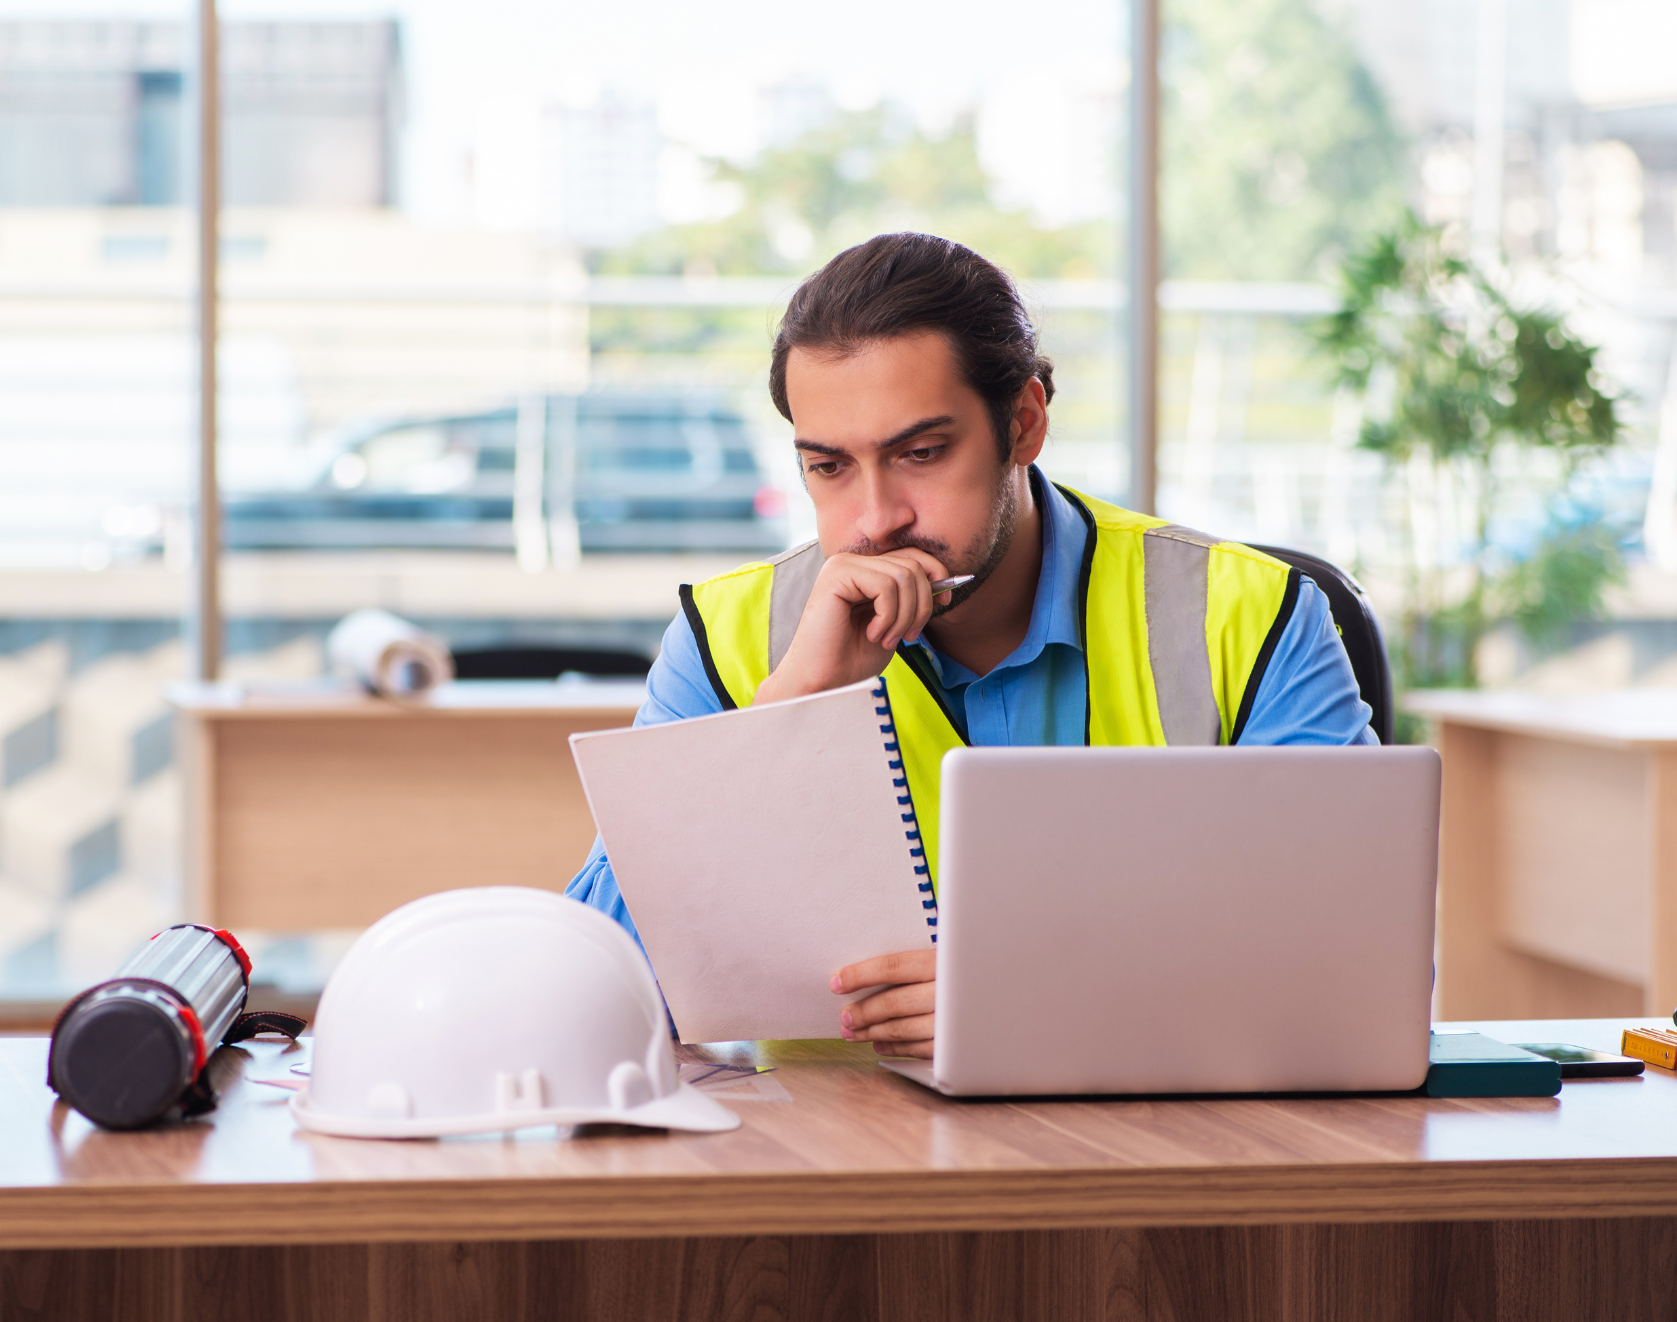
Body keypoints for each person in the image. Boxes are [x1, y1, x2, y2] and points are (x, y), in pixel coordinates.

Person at [567, 232, 1374, 1061]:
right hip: (840, 1164)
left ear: (1023, 423)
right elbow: (596, 998)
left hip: (1162, 1156)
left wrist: (1041, 995)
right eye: (829, 467)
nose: (875, 518)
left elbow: (1359, 971)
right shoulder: (726, 636)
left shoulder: (1249, 613)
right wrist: (789, 714)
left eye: (920, 454)